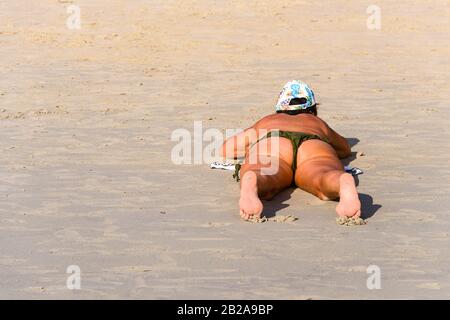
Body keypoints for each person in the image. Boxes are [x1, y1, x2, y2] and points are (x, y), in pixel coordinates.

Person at [220, 80, 361, 220]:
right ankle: (341, 181)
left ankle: (254, 178)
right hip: (312, 143)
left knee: (264, 173)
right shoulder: (316, 122)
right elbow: (344, 149)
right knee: (323, 175)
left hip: (275, 142)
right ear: (313, 109)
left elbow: (227, 149)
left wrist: (252, 149)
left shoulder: (268, 120)